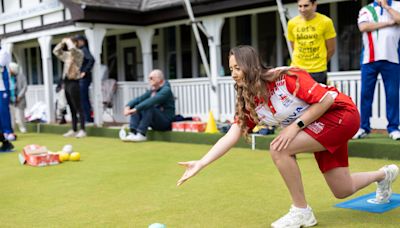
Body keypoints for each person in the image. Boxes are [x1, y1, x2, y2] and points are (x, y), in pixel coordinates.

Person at [177, 46, 399, 228]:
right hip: (318, 127)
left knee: (279, 147)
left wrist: (295, 127)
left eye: (237, 67)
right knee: (343, 189)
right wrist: (202, 162)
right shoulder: (251, 101)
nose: (233, 73)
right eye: (231, 69)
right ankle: (384, 175)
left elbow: (327, 101)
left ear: (251, 65)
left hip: (342, 115)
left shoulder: (286, 77)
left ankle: (302, 211)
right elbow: (232, 134)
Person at [353, 0, 400, 140]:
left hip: (392, 58)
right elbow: (363, 27)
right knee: (366, 94)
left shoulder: (397, 5)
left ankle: (393, 128)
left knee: (392, 95)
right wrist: (389, 23)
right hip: (369, 59)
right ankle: (363, 127)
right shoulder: (366, 9)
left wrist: (386, 6)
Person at [287, 0, 336, 84]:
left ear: (314, 5)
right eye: (300, 6)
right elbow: (293, 46)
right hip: (297, 69)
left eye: (306, 6)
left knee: (318, 97)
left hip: (318, 71)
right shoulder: (292, 23)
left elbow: (331, 48)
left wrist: (321, 61)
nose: (302, 9)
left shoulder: (326, 22)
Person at [122, 69, 175, 142]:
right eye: (149, 78)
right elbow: (139, 99)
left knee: (148, 106)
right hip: (155, 121)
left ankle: (141, 134)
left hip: (165, 123)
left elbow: (151, 101)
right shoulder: (153, 90)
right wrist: (127, 107)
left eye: (151, 78)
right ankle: (133, 133)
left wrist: (135, 109)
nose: (149, 80)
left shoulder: (166, 90)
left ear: (159, 79)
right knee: (138, 105)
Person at [53, 37, 86, 138]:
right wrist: (62, 43)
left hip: (74, 82)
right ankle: (74, 129)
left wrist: (69, 41)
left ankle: (83, 130)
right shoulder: (67, 55)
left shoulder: (79, 53)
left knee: (78, 107)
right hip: (66, 82)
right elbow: (56, 51)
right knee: (71, 107)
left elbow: (73, 49)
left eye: (71, 43)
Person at [74, 34, 95, 123]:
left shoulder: (84, 50)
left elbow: (91, 59)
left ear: (81, 41)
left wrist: (85, 71)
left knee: (83, 98)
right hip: (80, 78)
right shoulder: (79, 51)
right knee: (81, 98)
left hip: (84, 78)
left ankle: (88, 118)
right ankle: (85, 117)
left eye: (77, 41)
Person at [0, 48, 16, 141]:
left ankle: (8, 131)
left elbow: (0, 64)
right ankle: (2, 132)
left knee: (3, 110)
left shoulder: (3, 52)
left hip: (3, 87)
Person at [8, 62, 27, 133]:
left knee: (20, 115)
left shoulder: (21, 76)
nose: (9, 71)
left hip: (20, 99)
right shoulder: (8, 77)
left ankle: (23, 129)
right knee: (11, 116)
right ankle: (12, 129)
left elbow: (24, 87)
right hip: (10, 99)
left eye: (10, 69)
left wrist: (19, 96)